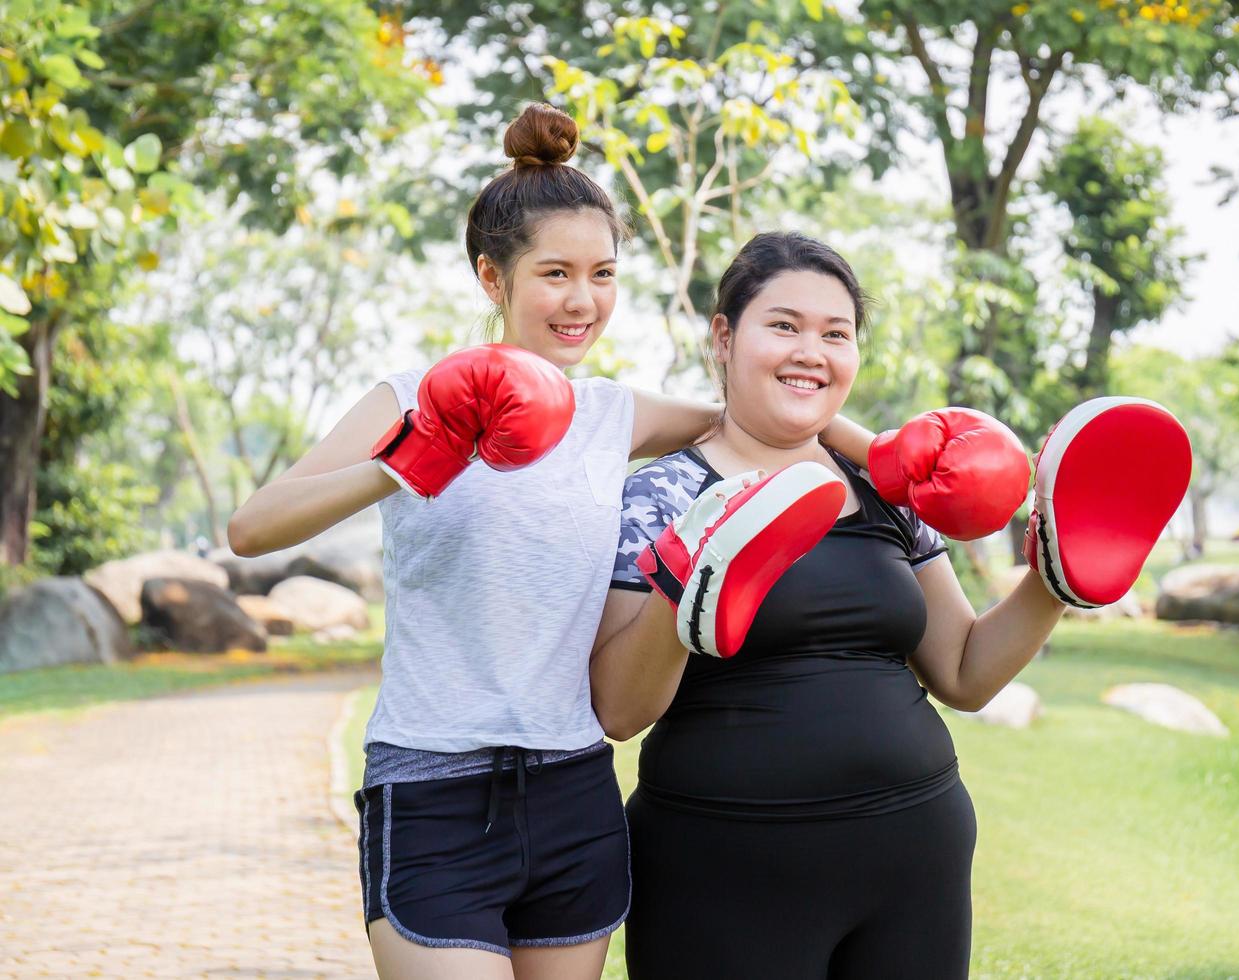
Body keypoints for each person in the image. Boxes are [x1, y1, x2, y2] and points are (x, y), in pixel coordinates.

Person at [228, 108, 872, 979]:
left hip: (574, 788)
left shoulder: (610, 414)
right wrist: (413, 457)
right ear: (493, 278)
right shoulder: (411, 394)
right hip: (431, 787)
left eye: (602, 274)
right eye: (556, 273)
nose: (582, 300)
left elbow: (764, 410)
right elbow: (252, 528)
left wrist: (902, 456)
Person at [591, 231, 1190, 979]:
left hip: (914, 851)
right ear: (724, 337)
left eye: (835, 334)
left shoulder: (888, 491)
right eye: (783, 325)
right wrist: (685, 578)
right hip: (726, 863)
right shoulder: (662, 494)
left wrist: (1054, 581)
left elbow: (964, 673)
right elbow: (619, 710)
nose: (812, 350)